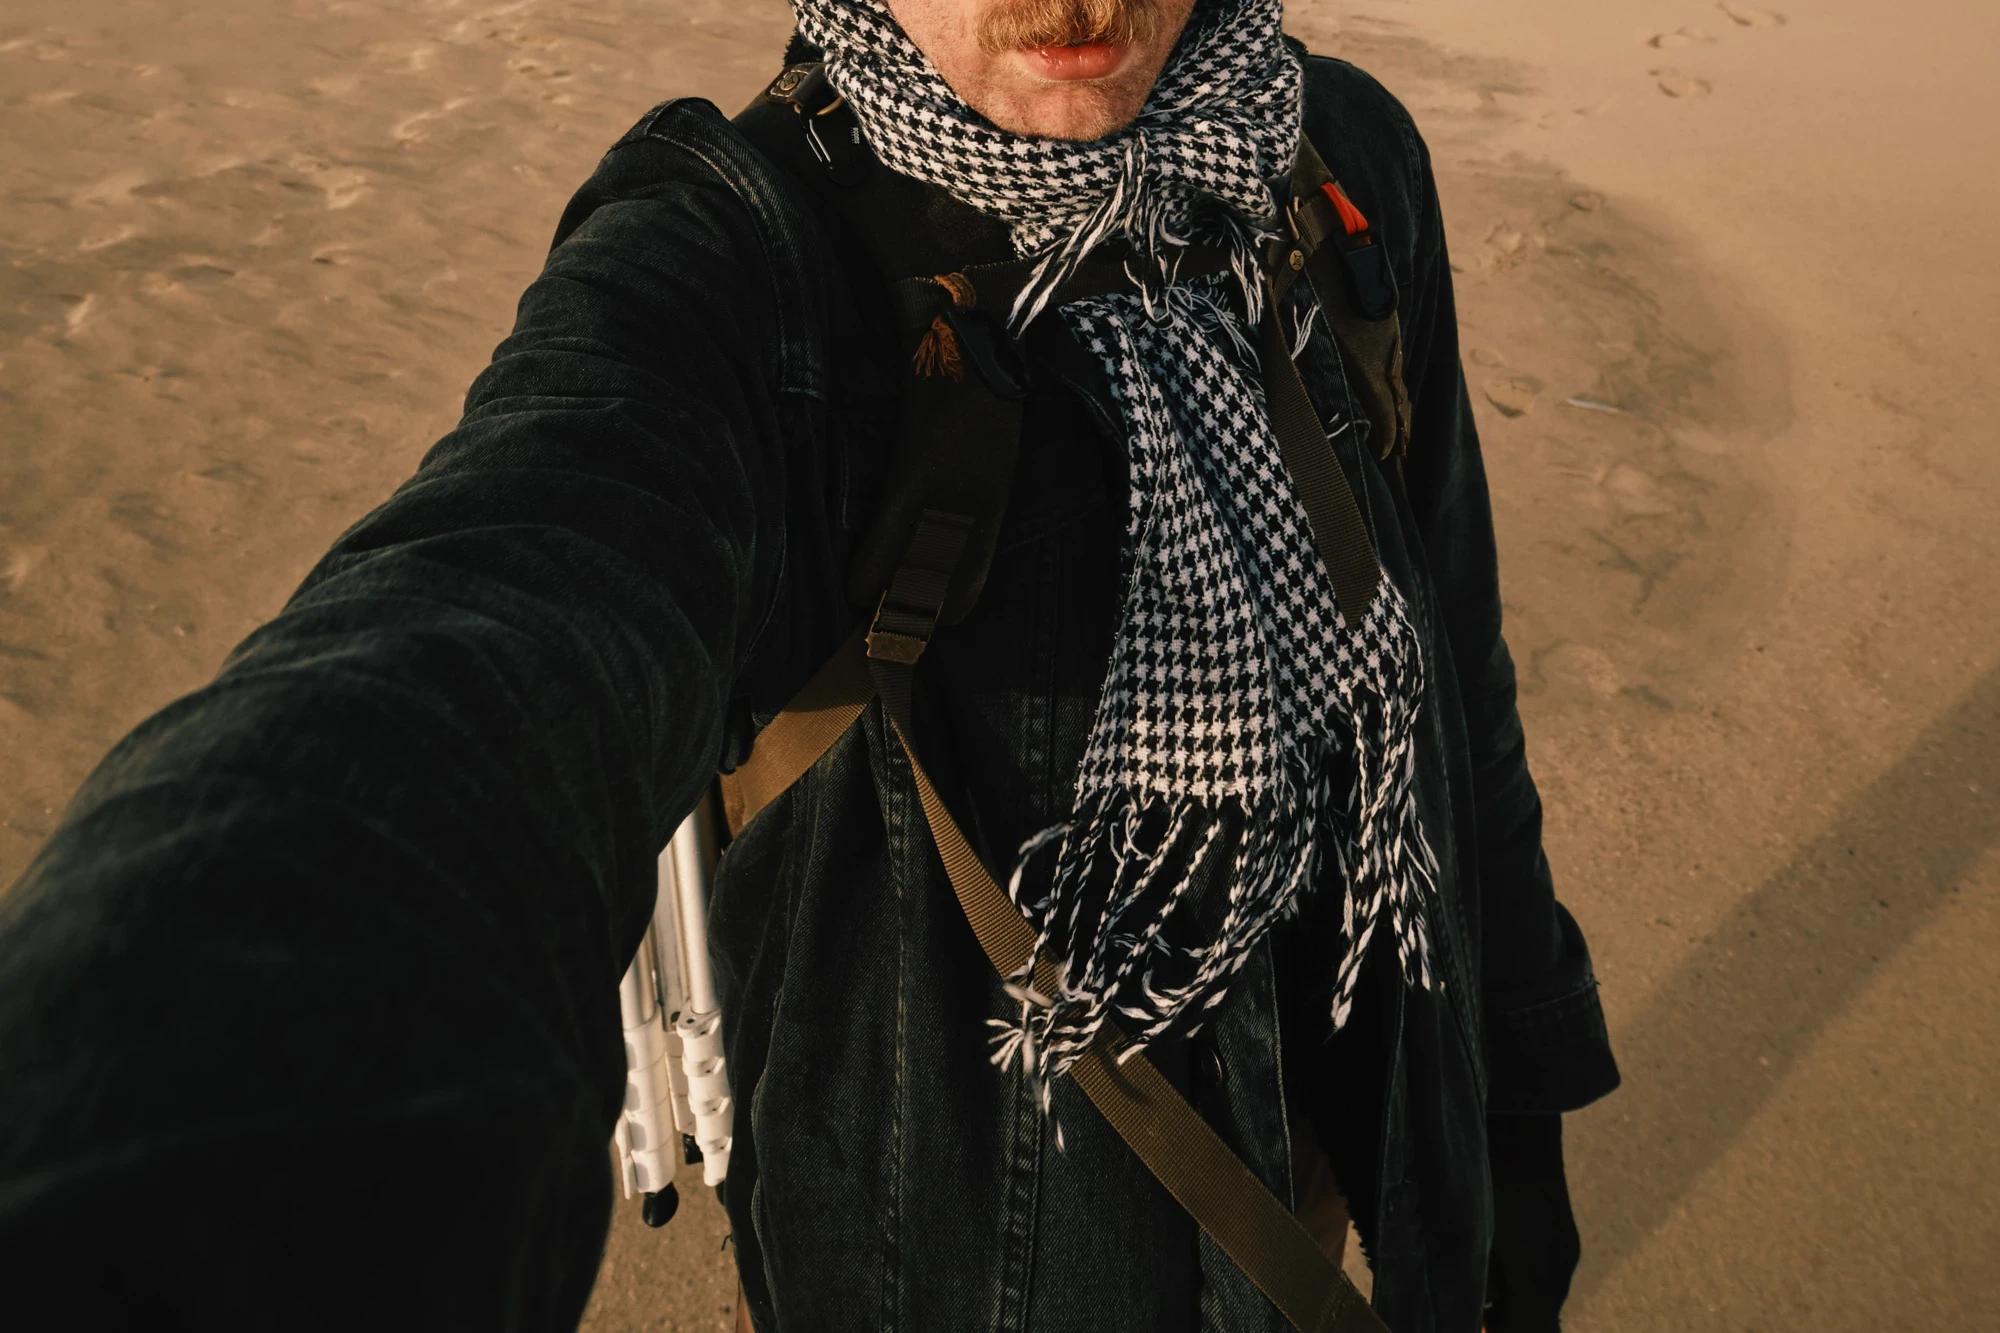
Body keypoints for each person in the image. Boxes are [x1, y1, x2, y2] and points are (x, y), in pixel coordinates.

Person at [0, 0, 1619, 1328]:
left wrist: (1510, 1090)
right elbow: (477, 634)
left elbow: (1451, 661)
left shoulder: (1336, 165)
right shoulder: (743, 270)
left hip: (1331, 1166)